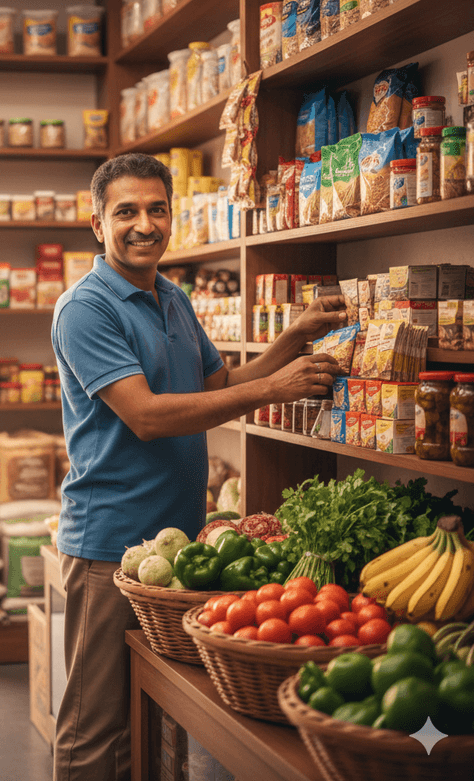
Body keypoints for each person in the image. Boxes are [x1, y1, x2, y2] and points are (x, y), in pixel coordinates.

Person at [50, 153, 346, 781]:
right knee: (94, 726)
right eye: (125, 211)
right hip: (109, 542)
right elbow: (148, 415)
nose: (144, 224)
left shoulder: (172, 296)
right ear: (97, 224)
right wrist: (273, 392)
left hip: (177, 544)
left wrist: (293, 338)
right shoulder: (87, 308)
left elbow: (219, 382)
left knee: (149, 709)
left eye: (157, 209)